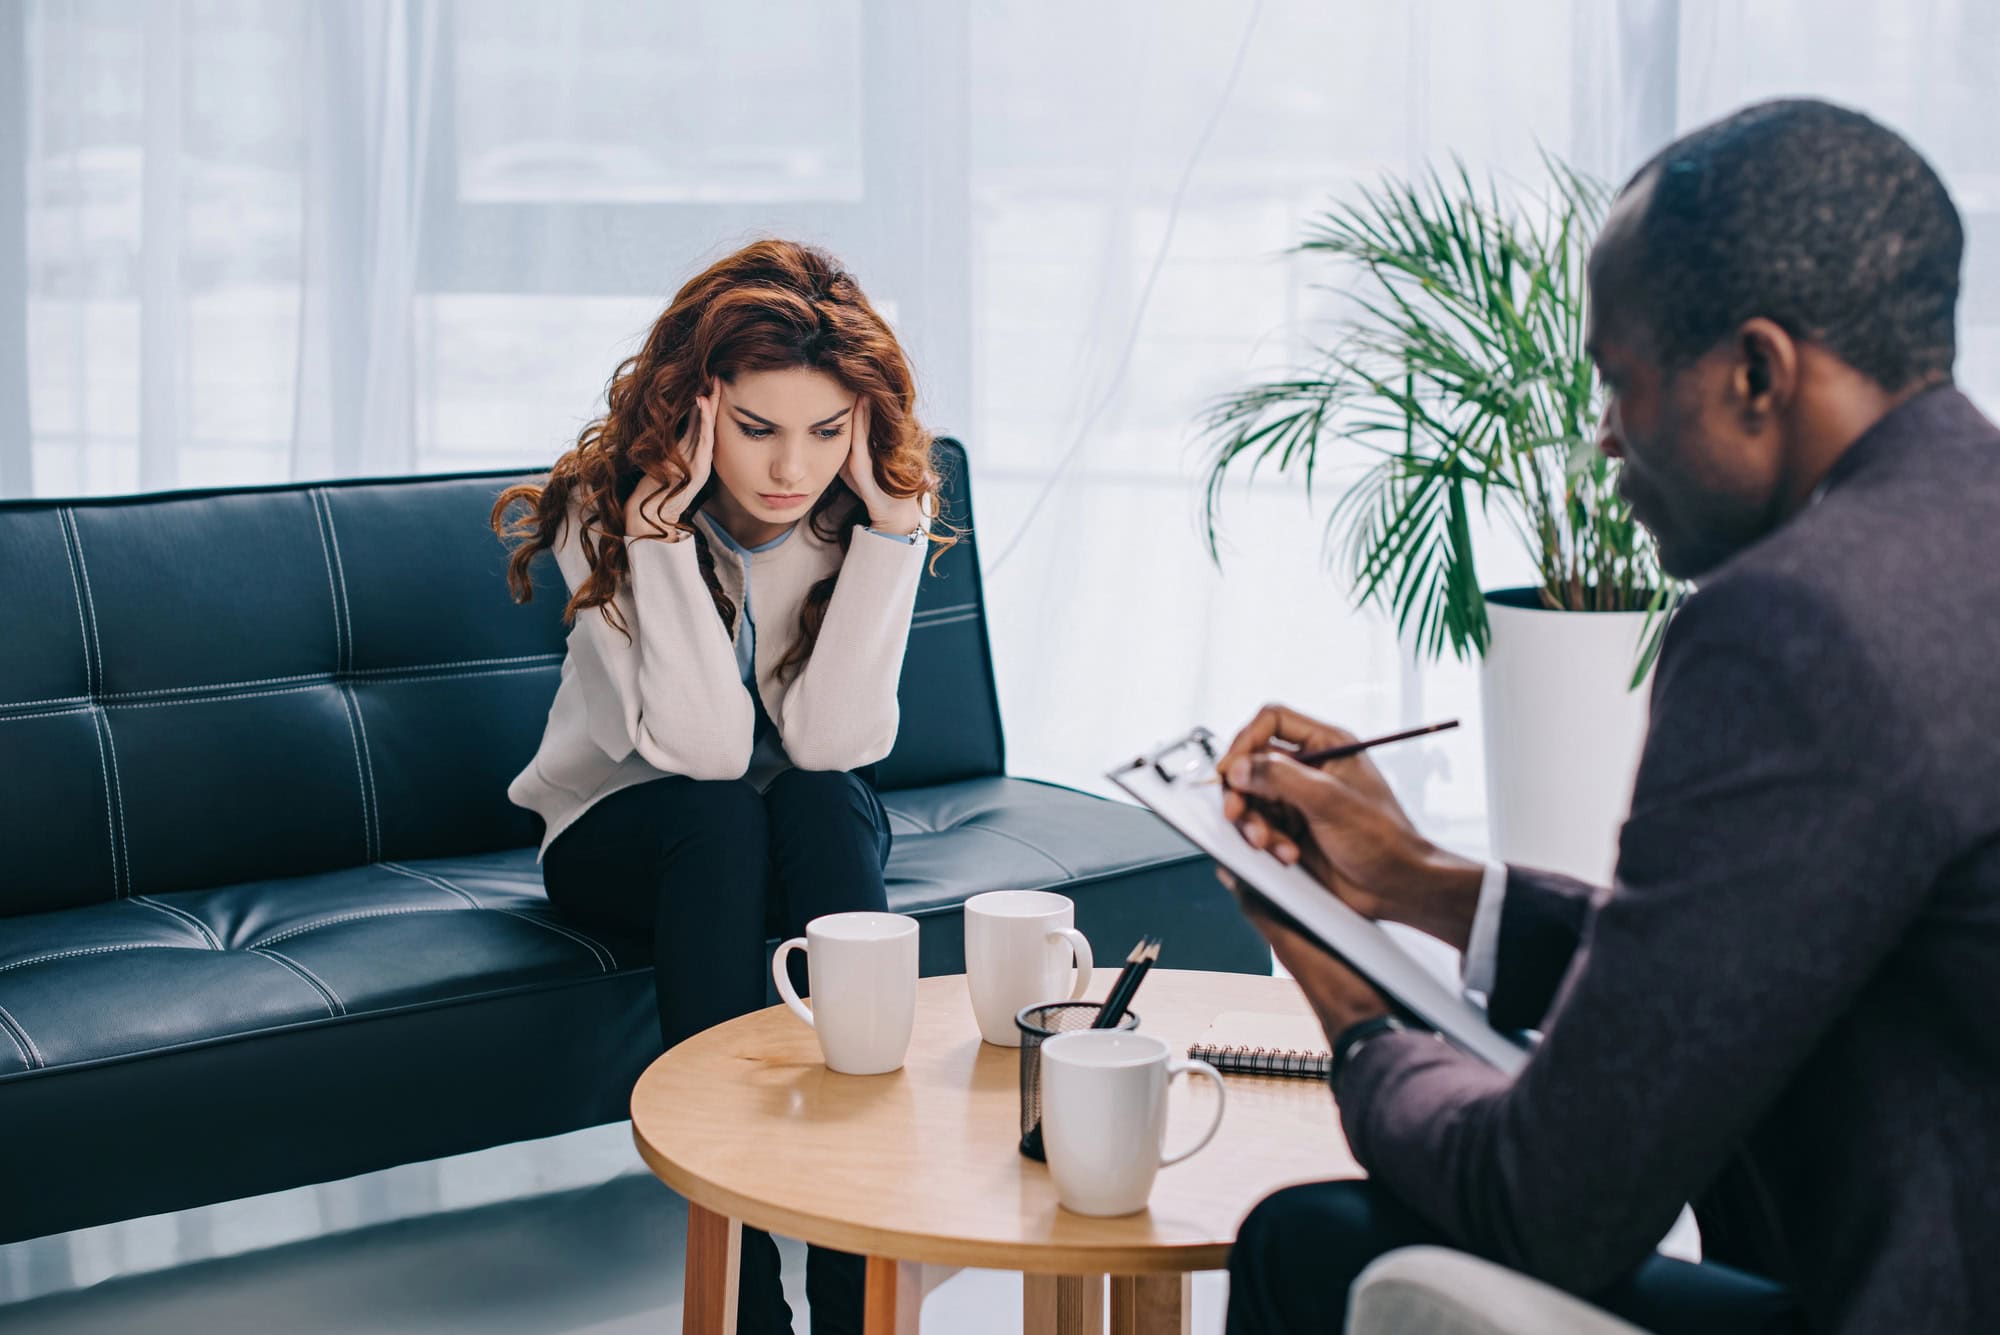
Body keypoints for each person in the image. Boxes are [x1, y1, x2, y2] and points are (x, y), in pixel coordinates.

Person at [1216, 99, 2000, 1335]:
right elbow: (1726, 966)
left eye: (1619, 384)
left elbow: (1546, 1204)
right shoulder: (1960, 540)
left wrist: (1351, 1012)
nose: (1600, 442)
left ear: (1754, 374)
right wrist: (1419, 882)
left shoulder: (1796, 625)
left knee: (1304, 1243)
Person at [491, 239, 951, 1335]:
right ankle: (748, 1303)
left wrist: (890, 536)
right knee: (716, 815)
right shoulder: (602, 515)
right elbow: (695, 752)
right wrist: (656, 543)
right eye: (756, 430)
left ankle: (854, 1294)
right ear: (691, 411)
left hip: (792, 826)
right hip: (620, 833)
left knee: (819, 802)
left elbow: (837, 740)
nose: (791, 466)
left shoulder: (859, 515)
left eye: (826, 430)